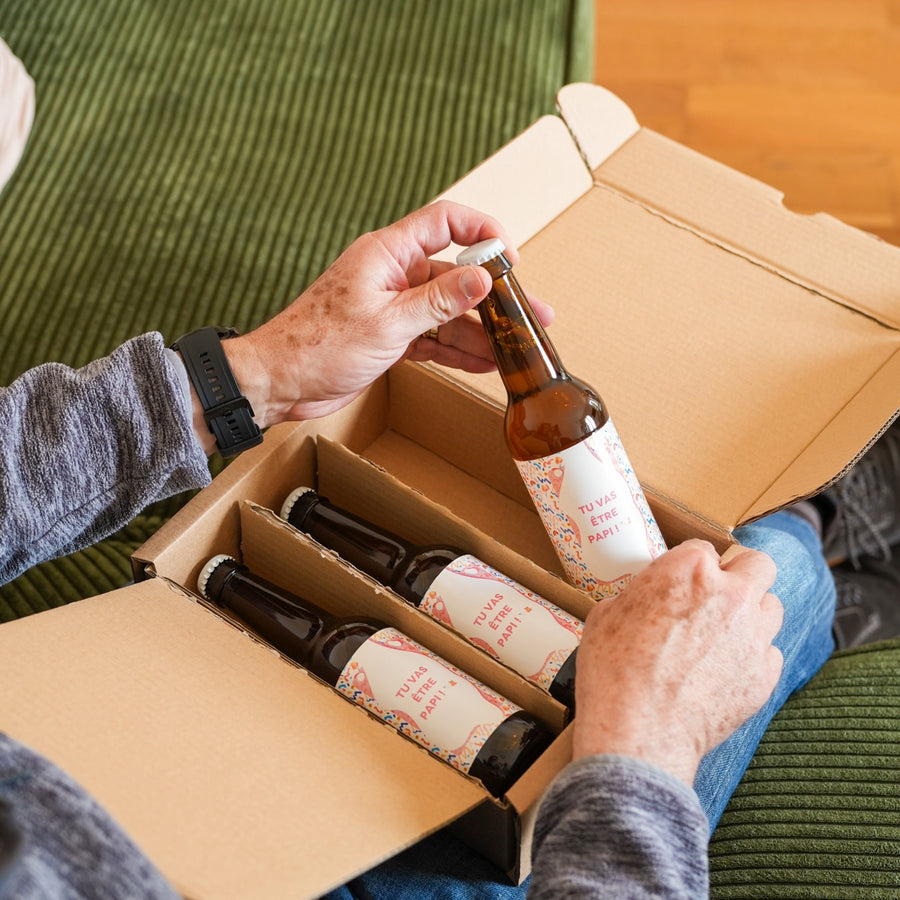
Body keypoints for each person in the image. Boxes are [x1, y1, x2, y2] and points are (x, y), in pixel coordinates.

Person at [0, 199, 893, 899]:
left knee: (754, 582)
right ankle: (827, 543)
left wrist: (258, 371)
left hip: (145, 782)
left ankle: (820, 539)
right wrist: (644, 749)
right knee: (779, 578)